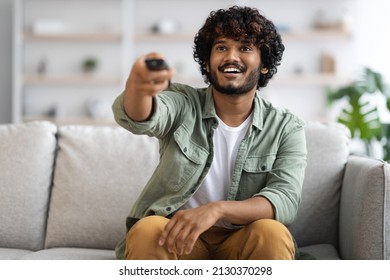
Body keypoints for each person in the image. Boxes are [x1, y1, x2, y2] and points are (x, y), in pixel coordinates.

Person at [112, 5, 307, 260]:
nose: (231, 56)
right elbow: (143, 118)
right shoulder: (184, 102)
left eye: (245, 48)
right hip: (179, 237)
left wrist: (217, 210)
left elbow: (284, 200)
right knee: (148, 230)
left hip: (243, 238)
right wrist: (139, 87)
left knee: (271, 232)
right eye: (221, 48)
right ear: (207, 62)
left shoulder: (286, 127)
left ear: (264, 66)